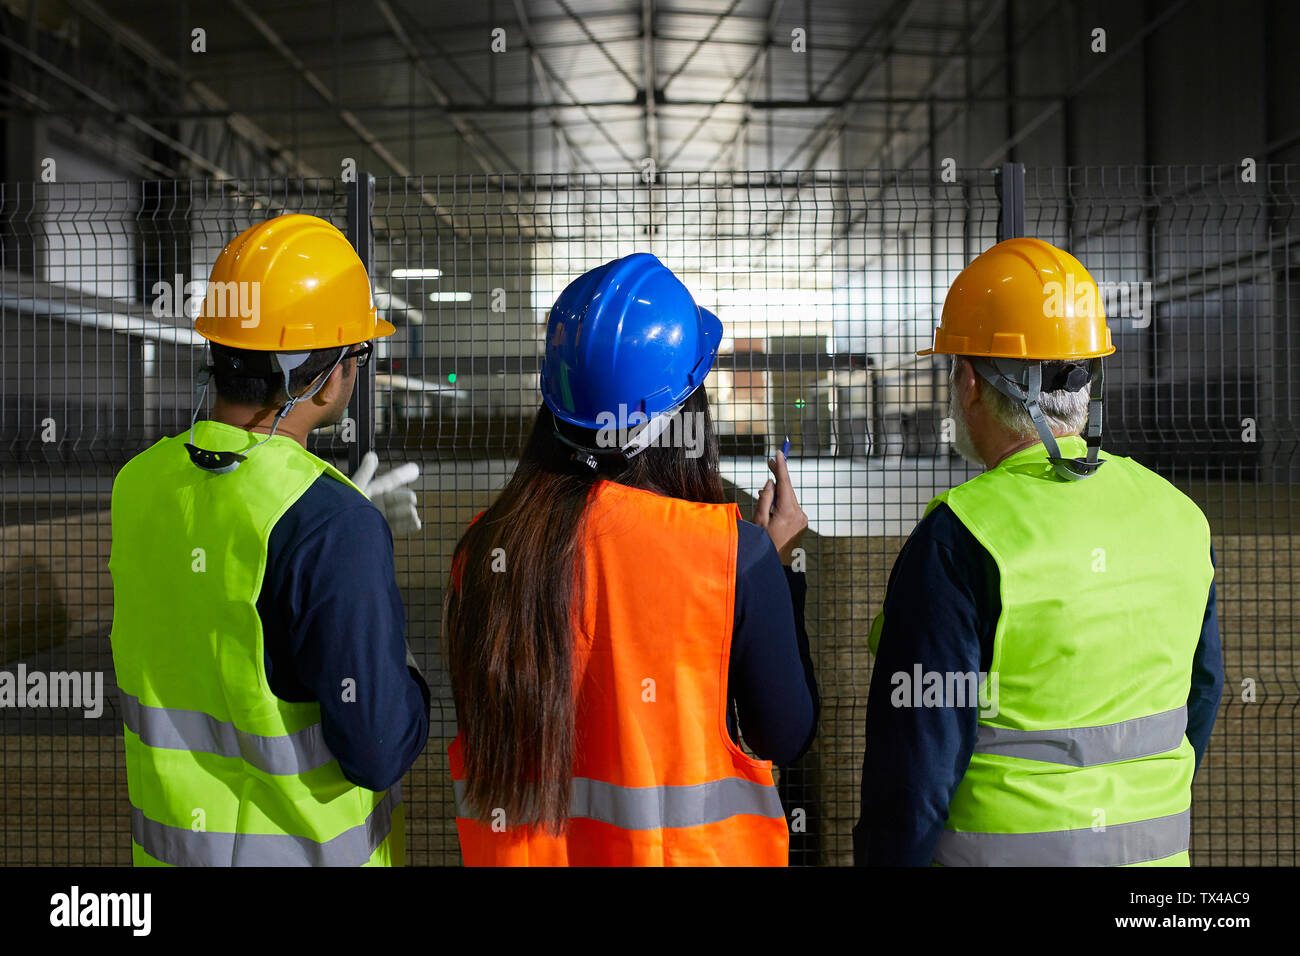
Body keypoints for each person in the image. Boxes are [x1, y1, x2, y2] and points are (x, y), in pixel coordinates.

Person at [854, 237, 1223, 867]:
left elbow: (914, 776)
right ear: (1086, 377)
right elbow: (1203, 696)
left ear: (968, 382)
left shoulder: (961, 540)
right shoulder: (1180, 519)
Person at [444, 252, 818, 866]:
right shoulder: (733, 557)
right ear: (680, 419)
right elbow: (786, 732)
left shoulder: (486, 553)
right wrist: (766, 573)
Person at [109, 214, 429, 866]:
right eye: (358, 354)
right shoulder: (331, 526)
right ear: (328, 373)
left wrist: (330, 545)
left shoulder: (137, 486)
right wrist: (349, 567)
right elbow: (376, 748)